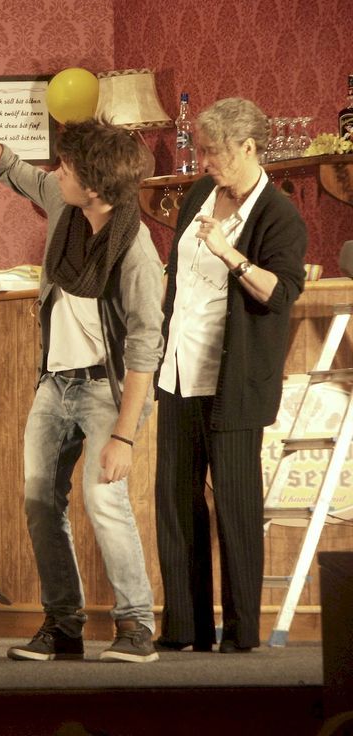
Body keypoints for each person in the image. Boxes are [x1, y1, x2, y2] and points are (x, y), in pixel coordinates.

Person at [0, 101, 163, 663]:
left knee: (104, 501)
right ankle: (63, 625)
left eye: (67, 167)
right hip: (55, 384)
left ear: (95, 186)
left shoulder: (134, 251)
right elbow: (8, 166)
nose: (56, 173)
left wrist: (124, 436)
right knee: (39, 501)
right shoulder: (63, 204)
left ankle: (136, 625)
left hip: (108, 391)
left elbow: (144, 347)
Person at [155, 97, 307, 654]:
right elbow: (178, 279)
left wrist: (228, 253)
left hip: (233, 381)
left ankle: (241, 633)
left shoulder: (279, 214)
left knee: (236, 508)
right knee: (175, 502)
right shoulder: (200, 193)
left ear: (248, 148)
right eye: (202, 150)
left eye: (214, 152)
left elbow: (282, 292)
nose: (204, 161)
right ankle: (184, 627)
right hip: (179, 370)